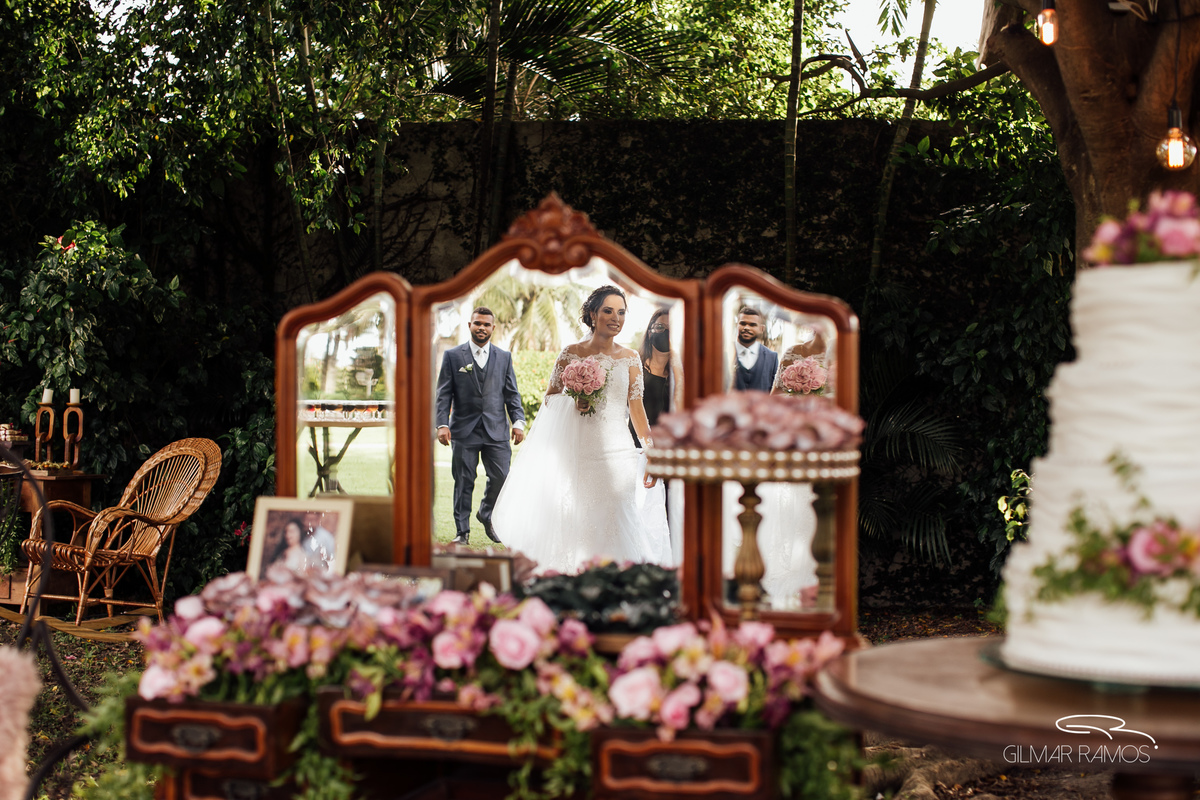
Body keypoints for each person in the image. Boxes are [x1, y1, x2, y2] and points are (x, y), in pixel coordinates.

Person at [492, 286, 672, 573]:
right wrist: (574, 400)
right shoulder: (570, 354)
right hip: (579, 452)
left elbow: (637, 411)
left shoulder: (630, 358)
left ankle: (618, 579)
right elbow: (550, 397)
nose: (616, 318)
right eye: (608, 311)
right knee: (577, 517)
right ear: (593, 314)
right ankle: (574, 576)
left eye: (621, 312)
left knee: (617, 515)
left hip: (619, 454)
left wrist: (650, 452)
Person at [435, 307, 526, 546]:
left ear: (493, 328)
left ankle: (486, 513)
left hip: (496, 430)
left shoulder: (504, 357)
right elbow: (444, 394)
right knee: (464, 481)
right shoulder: (453, 356)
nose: (482, 328)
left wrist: (518, 421)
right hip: (464, 430)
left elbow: (512, 394)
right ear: (469, 325)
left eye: (486, 324)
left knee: (502, 477)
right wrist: (442, 424)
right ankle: (462, 532)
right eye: (477, 323)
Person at [732, 306, 778, 393]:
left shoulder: (772, 357)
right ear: (736, 325)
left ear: (761, 329)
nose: (746, 328)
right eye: (743, 323)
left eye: (752, 325)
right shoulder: (724, 353)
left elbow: (774, 392)